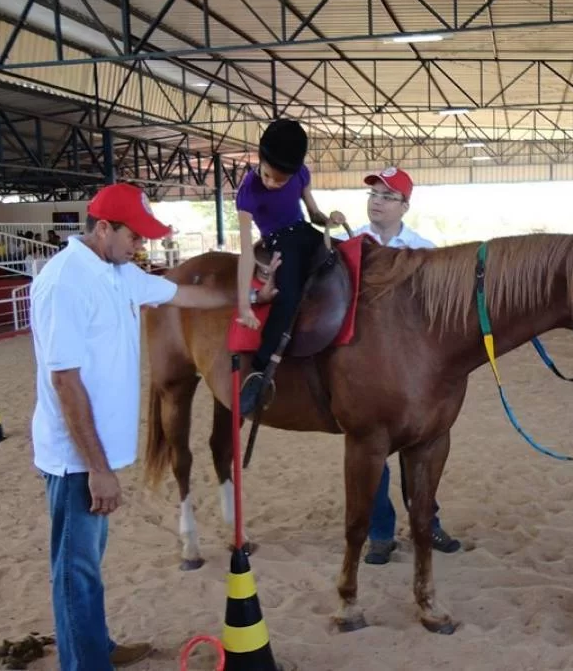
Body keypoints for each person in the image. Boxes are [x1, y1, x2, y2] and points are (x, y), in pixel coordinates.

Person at [30, 182, 278, 671]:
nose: (141, 246)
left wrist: (254, 291)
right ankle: (86, 664)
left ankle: (96, 647)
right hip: (75, 458)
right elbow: (65, 381)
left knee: (88, 567)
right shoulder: (65, 283)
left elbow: (190, 294)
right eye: (134, 236)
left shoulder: (118, 272)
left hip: (97, 454)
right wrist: (98, 468)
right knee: (75, 571)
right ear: (104, 228)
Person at [352, 166, 461, 565]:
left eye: (386, 196)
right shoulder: (351, 244)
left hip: (413, 367)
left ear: (404, 206)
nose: (376, 202)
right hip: (367, 366)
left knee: (423, 446)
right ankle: (380, 533)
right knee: (373, 451)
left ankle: (428, 522)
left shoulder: (423, 250)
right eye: (373, 195)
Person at [236, 118, 345, 416]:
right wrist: (245, 305)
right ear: (260, 159)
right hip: (279, 242)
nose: (272, 183)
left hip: (304, 231)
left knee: (344, 259)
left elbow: (313, 214)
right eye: (269, 176)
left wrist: (330, 220)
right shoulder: (248, 191)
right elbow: (246, 252)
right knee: (289, 298)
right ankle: (258, 372)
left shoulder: (300, 175)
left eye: (280, 181)